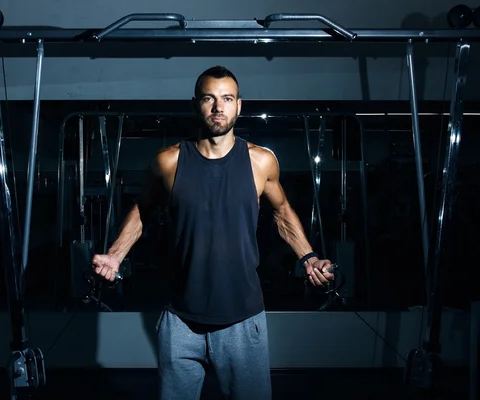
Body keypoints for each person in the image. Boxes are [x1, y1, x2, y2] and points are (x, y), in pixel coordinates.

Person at [92, 66, 335, 400]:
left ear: (239, 106)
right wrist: (115, 254)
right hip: (180, 321)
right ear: (196, 105)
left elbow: (282, 212)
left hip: (242, 319)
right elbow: (142, 210)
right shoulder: (169, 161)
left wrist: (308, 257)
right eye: (209, 98)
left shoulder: (261, 162)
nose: (218, 107)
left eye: (227, 99)